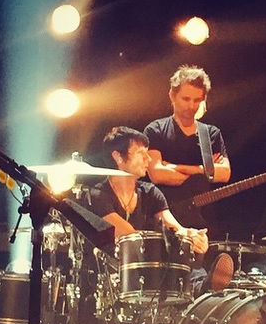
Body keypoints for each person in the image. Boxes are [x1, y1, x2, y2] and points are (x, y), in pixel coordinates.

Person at [87, 126, 233, 297]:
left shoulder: (150, 192)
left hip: (151, 271)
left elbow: (175, 228)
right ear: (118, 156)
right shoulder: (98, 195)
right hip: (117, 274)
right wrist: (175, 239)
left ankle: (203, 287)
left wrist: (193, 236)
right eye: (140, 153)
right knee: (162, 255)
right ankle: (200, 287)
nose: (148, 158)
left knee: (184, 257)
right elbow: (130, 236)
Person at [144, 64, 231, 234]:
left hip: (204, 219)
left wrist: (174, 167)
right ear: (172, 95)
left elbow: (225, 174)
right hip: (166, 218)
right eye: (186, 99)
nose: (191, 106)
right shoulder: (155, 130)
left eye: (197, 100)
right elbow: (157, 174)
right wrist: (205, 171)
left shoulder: (211, 133)